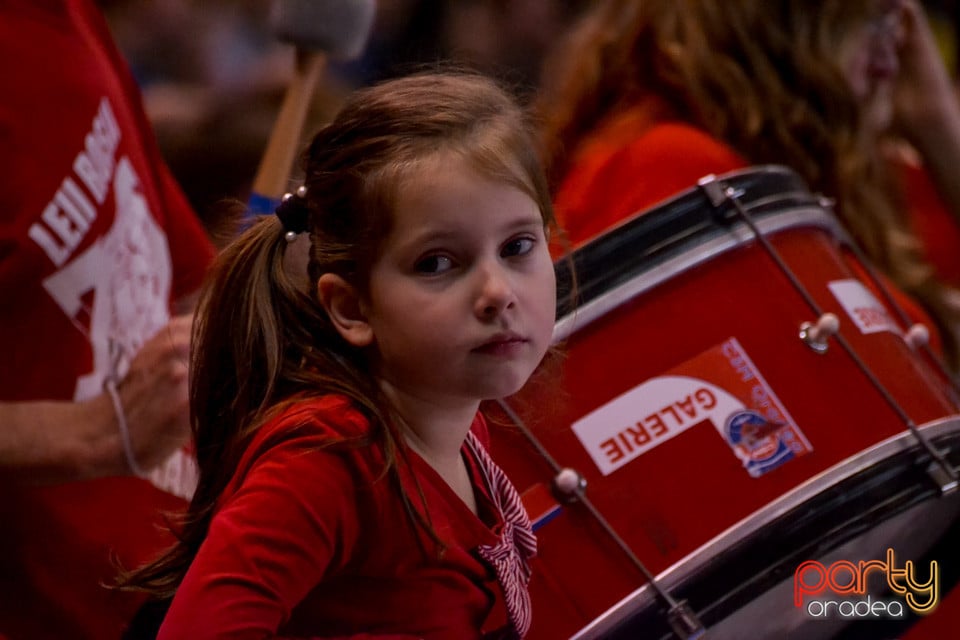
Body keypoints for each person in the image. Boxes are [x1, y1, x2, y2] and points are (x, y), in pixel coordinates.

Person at [119, 71, 558, 639]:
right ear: (351, 308)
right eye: (437, 263)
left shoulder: (459, 426)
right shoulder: (329, 459)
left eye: (517, 247)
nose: (497, 292)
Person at [536, 0, 960, 368]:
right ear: (779, 22)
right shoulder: (669, 165)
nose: (899, 43)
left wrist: (940, 130)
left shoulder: (830, 176)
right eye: (871, 17)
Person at [0, 1, 215, 638]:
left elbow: (184, 276)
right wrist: (94, 433)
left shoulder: (62, 13)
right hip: (63, 610)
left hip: (188, 558)